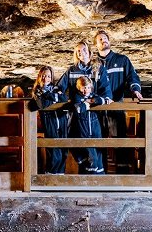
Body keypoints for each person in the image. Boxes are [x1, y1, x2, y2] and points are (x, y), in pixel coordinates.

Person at [56, 40, 112, 172]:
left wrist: (104, 99)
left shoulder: (98, 68)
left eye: (84, 49)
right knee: (81, 145)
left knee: (97, 147)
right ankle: (84, 178)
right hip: (78, 115)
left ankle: (99, 178)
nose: (82, 53)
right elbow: (60, 88)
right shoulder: (71, 70)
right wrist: (68, 101)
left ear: (89, 51)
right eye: (78, 51)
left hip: (96, 114)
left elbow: (105, 88)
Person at [94, 29, 144, 173]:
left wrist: (135, 90)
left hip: (116, 107)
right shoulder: (93, 63)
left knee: (119, 140)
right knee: (98, 140)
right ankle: (100, 172)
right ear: (96, 45)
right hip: (98, 108)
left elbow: (132, 77)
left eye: (105, 38)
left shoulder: (122, 60)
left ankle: (122, 173)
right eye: (100, 39)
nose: (104, 41)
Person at [32, 66, 68, 174]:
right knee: (53, 151)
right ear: (39, 77)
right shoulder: (37, 91)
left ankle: (60, 175)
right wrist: (55, 99)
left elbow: (64, 99)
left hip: (61, 120)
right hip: (50, 121)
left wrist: (48, 96)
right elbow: (43, 104)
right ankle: (50, 175)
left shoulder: (56, 88)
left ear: (51, 77)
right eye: (43, 76)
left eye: (48, 76)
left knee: (63, 150)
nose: (46, 78)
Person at [73, 76, 106, 174]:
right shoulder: (77, 97)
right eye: (83, 88)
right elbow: (78, 109)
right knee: (91, 158)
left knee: (99, 154)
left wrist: (91, 101)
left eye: (88, 87)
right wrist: (88, 104)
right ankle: (89, 180)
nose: (86, 90)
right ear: (79, 88)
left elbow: (102, 100)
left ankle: (100, 179)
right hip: (84, 128)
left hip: (95, 128)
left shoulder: (93, 95)